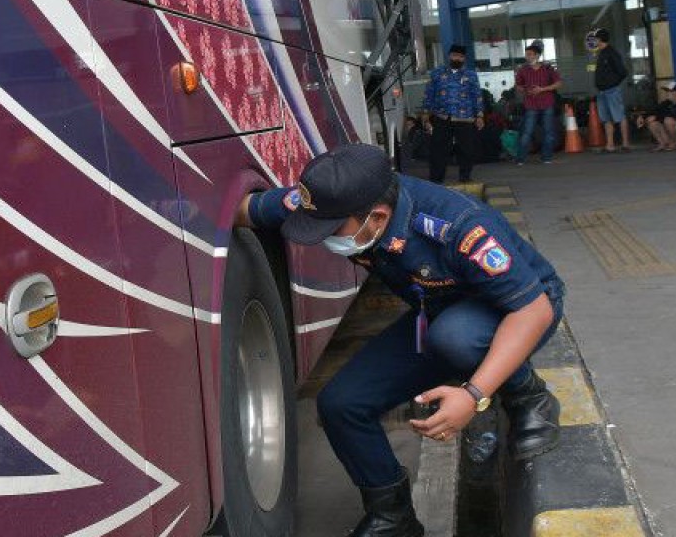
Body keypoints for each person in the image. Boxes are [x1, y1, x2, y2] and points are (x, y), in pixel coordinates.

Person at [236, 144, 564, 537]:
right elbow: (242, 210)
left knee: (455, 337)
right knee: (341, 404)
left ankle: (531, 398)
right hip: (439, 313)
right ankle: (393, 518)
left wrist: (473, 394)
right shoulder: (330, 204)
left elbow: (533, 311)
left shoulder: (458, 227)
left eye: (330, 232)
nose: (321, 239)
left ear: (377, 217)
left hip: (517, 307)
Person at [423, 45, 482, 183]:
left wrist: (479, 115)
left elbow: (477, 95)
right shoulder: (437, 73)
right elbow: (429, 93)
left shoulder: (471, 75)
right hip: (442, 117)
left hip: (465, 118)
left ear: (464, 59)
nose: (457, 59)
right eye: (455, 55)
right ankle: (436, 179)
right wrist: (425, 113)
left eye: (461, 57)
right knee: (438, 149)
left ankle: (465, 177)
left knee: (466, 149)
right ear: (449, 56)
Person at [513, 40, 563, 165]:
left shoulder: (548, 68)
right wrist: (525, 90)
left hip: (547, 104)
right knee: (527, 132)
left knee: (549, 132)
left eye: (530, 54)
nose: (527, 57)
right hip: (531, 105)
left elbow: (558, 83)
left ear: (537, 55)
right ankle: (520, 158)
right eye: (526, 54)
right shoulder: (523, 70)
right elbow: (518, 86)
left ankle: (546, 157)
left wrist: (542, 89)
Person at [591, 28, 631, 153]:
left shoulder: (612, 53)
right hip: (602, 91)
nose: (594, 41)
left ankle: (625, 144)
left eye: (595, 39)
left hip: (612, 90)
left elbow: (623, 72)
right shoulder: (601, 53)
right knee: (606, 118)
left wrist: (613, 84)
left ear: (600, 39)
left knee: (619, 116)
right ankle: (610, 145)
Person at [637, 81, 676, 152]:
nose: (666, 93)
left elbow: (675, 117)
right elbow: (654, 110)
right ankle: (662, 144)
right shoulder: (666, 103)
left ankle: (674, 144)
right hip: (668, 133)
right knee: (652, 123)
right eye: (666, 91)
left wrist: (656, 117)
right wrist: (642, 117)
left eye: (669, 91)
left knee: (668, 120)